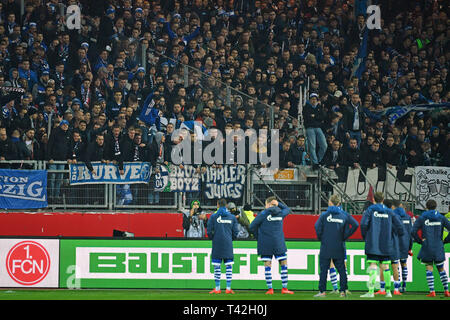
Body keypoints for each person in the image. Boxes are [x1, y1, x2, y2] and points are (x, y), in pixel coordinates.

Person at [359, 192, 404, 298]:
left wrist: (365, 236)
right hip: (386, 243)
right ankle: (388, 292)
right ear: (383, 199)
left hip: (373, 243)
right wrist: (399, 234)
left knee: (373, 266)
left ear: (374, 199)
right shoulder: (389, 211)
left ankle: (370, 292)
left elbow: (363, 224)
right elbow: (399, 225)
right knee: (386, 266)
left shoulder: (370, 210)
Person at [314, 195, 359, 297]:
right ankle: (343, 291)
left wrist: (321, 238)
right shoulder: (344, 214)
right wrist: (345, 236)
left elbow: (317, 227)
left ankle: (322, 292)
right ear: (339, 203)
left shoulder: (324, 215)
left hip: (326, 245)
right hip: (339, 245)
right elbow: (356, 224)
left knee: (324, 270)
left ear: (330, 202)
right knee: (342, 270)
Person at [249, 196, 294, 295]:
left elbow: (251, 227)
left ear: (268, 204)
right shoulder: (281, 213)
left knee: (267, 265)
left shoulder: (263, 214)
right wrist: (279, 204)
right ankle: (284, 288)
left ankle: (270, 289)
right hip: (278, 242)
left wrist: (259, 236)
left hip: (265, 243)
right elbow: (287, 209)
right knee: (283, 264)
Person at [411, 200, 450, 297]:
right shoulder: (441, 217)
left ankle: (432, 291)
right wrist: (445, 240)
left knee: (429, 268)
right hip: (438, 246)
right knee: (441, 269)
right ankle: (446, 291)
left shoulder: (422, 217)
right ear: (436, 206)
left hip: (427, 245)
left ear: (426, 207)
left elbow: (413, 231)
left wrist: (420, 241)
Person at [206, 199, 239, 294]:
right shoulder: (232, 217)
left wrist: (214, 238)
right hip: (228, 244)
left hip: (217, 244)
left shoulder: (213, 217)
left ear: (217, 205)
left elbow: (209, 231)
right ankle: (228, 288)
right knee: (229, 266)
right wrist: (229, 238)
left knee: (217, 267)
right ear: (226, 206)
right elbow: (236, 232)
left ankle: (217, 288)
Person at [393, 200, 413, 293]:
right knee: (404, 264)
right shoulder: (408, 217)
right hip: (405, 243)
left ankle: (397, 286)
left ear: (394, 206)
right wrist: (410, 247)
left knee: (395, 265)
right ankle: (404, 285)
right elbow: (410, 232)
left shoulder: (393, 216)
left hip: (395, 243)